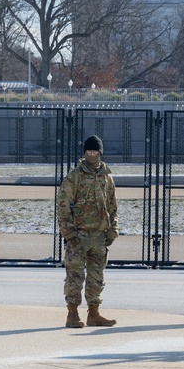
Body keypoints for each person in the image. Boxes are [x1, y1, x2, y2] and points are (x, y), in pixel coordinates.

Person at [57, 135, 119, 328]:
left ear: (100, 153)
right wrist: (69, 233)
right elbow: (63, 205)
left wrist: (112, 229)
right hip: (79, 236)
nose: (92, 154)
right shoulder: (74, 176)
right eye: (89, 151)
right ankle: (72, 314)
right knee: (75, 276)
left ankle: (94, 313)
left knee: (96, 277)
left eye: (95, 151)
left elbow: (112, 205)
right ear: (84, 153)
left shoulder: (106, 177)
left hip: (99, 236)